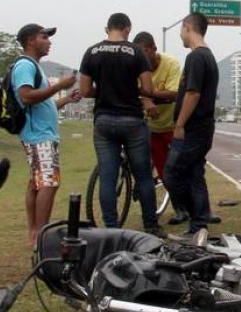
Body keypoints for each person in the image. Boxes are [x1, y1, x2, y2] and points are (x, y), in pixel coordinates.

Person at [79, 13, 159, 233]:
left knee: (107, 176)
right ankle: (151, 226)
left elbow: (85, 90)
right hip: (132, 120)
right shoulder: (136, 52)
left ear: (108, 29)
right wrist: (130, 89)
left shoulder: (91, 52)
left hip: (104, 121)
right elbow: (149, 89)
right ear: (127, 28)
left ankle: (111, 229)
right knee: (143, 176)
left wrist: (104, 91)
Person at [12, 22, 81, 249]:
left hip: (40, 133)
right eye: (44, 37)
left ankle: (35, 233)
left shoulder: (34, 66)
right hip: (38, 135)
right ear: (31, 40)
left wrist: (66, 98)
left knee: (37, 183)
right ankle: (41, 236)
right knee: (48, 183)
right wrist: (59, 84)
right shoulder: (25, 65)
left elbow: (44, 104)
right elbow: (27, 96)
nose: (49, 41)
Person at [162, 12, 219, 244]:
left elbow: (193, 93)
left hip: (193, 129)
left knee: (172, 173)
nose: (180, 36)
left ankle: (193, 216)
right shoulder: (209, 56)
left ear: (187, 27)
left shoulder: (196, 57)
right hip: (203, 128)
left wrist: (179, 124)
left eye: (181, 31)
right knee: (195, 174)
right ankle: (199, 227)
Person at [131, 31, 186, 223]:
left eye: (144, 51)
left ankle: (193, 207)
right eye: (138, 52)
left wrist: (146, 96)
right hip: (152, 127)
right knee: (163, 172)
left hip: (173, 124)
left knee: (183, 167)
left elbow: (175, 93)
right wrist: (148, 98)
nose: (142, 56)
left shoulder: (170, 63)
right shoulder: (135, 67)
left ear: (154, 49)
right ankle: (179, 209)